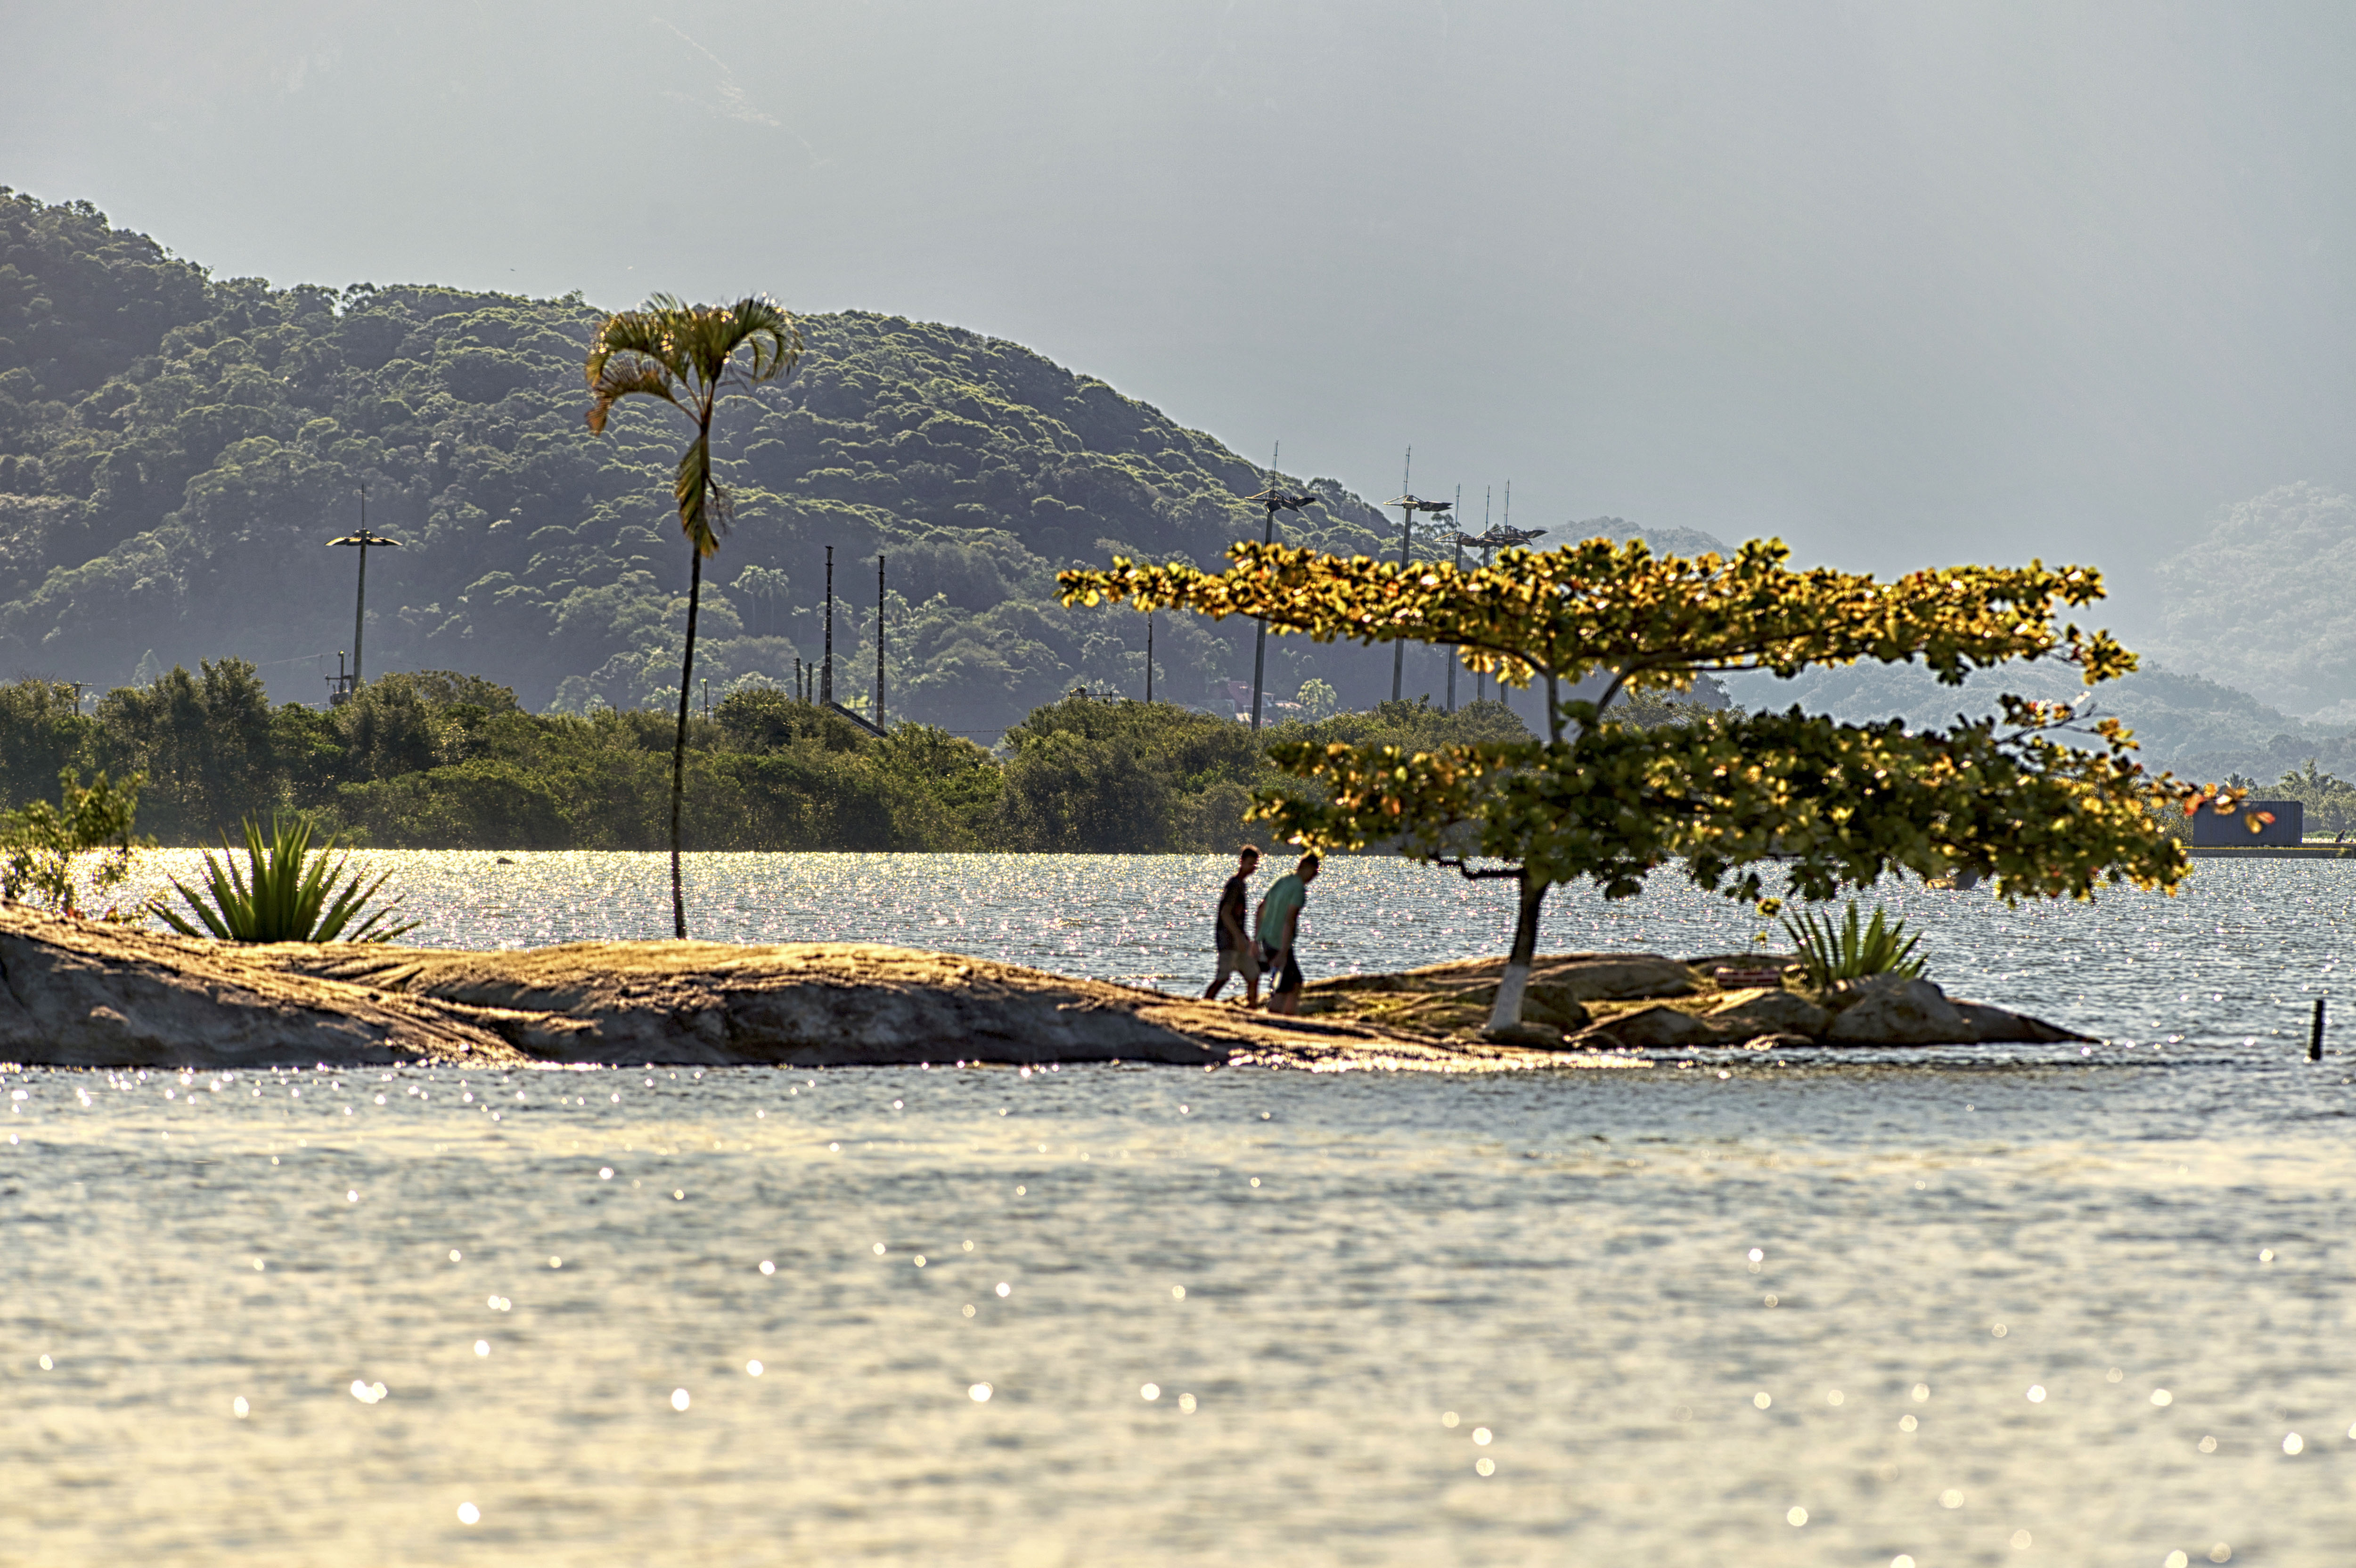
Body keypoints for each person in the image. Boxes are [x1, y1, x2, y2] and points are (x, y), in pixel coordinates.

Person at [1255, 851, 1321, 1015]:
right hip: (1279, 942)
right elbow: (1289, 919)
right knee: (1288, 982)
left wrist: (1257, 940)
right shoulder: (1298, 889)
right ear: (1305, 869)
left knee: (1293, 981)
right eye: (1314, 872)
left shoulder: (1282, 882)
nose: (1315, 876)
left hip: (1267, 939)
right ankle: (1278, 1017)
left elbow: (1261, 909)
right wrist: (1284, 951)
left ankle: (1288, 1016)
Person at [1203, 846, 1262, 1004]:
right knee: (1223, 977)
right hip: (1228, 941)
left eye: (1255, 864)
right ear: (1241, 862)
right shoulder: (1234, 885)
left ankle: (1252, 1010)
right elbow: (1226, 914)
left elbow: (1238, 919)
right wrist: (1238, 937)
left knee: (1253, 975)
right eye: (1250, 863)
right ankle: (1205, 1005)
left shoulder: (1242, 885)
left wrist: (1246, 940)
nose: (1253, 868)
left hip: (1239, 942)